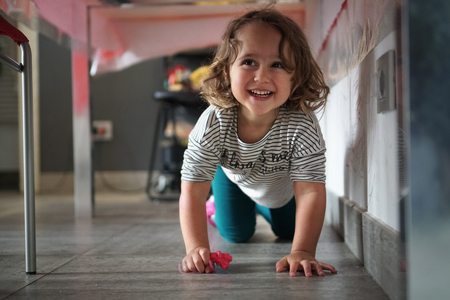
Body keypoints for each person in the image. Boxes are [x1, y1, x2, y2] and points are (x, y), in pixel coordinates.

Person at [179, 8, 337, 277]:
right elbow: (192, 190)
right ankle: (216, 208)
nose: (262, 77)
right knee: (236, 234)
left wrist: (304, 252)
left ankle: (262, 207)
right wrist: (195, 248)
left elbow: (310, 191)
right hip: (232, 179)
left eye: (277, 65)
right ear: (227, 71)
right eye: (249, 62)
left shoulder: (302, 125)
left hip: (282, 188)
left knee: (289, 235)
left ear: (295, 77)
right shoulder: (213, 122)